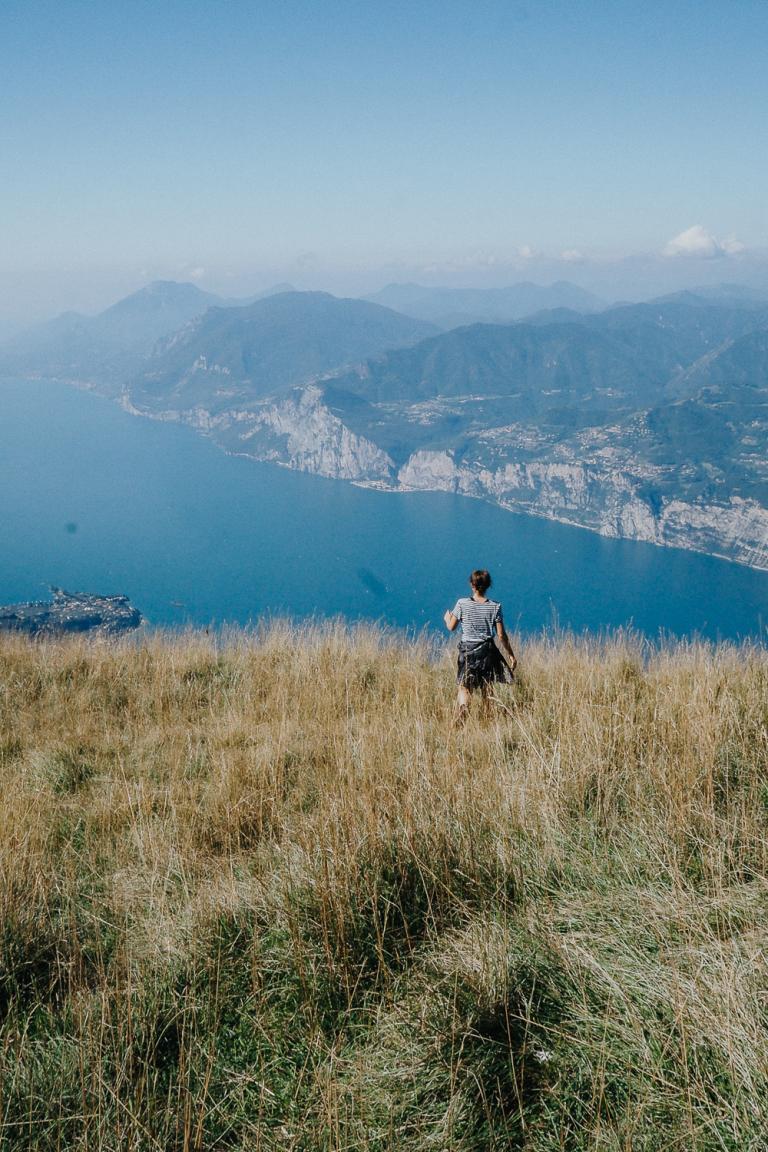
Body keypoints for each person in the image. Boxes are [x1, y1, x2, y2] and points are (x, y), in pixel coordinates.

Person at [444, 569, 517, 724]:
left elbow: (451, 627)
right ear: (488, 585)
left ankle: (463, 707)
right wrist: (511, 654)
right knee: (487, 687)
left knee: (465, 686)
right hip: (487, 651)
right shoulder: (495, 606)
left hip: (467, 650)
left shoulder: (462, 603)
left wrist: (447, 618)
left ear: (472, 584)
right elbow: (501, 635)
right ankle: (486, 720)